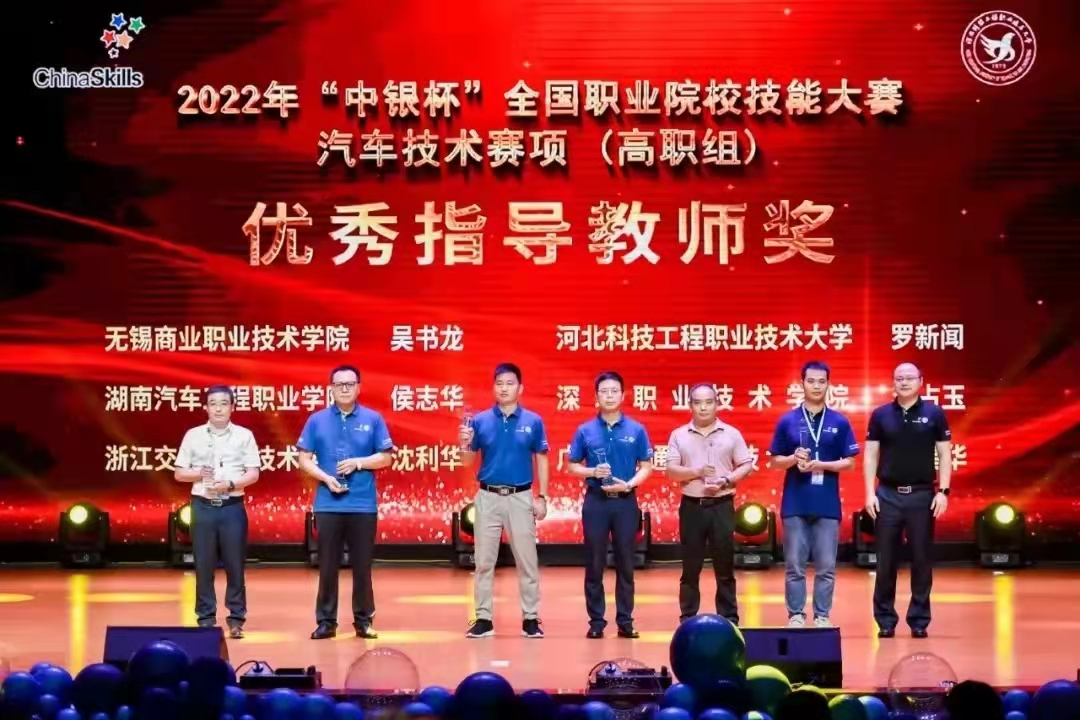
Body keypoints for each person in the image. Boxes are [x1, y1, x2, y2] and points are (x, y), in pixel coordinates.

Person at [297, 365, 394, 640]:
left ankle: (363, 621)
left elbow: (386, 457)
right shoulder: (317, 420)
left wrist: (358, 463)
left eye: (350, 384)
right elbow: (303, 458)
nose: (344, 389)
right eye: (339, 384)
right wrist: (325, 478)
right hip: (328, 504)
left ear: (358, 387)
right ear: (331, 388)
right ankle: (326, 622)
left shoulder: (373, 419)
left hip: (362, 505)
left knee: (362, 567)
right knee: (327, 566)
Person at [458, 363, 550, 639]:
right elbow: (467, 461)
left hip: (520, 497)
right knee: (484, 562)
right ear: (493, 387)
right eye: (499, 383)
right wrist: (464, 443)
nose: (504, 388)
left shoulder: (533, 421)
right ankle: (483, 618)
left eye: (510, 383)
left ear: (520, 388)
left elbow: (542, 459)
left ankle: (530, 618)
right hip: (487, 497)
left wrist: (542, 497)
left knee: (527, 561)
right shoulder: (480, 421)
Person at [768, 361, 860, 628]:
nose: (816, 386)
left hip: (827, 504)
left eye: (821, 381)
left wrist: (822, 465)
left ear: (828, 384)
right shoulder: (787, 420)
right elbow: (774, 461)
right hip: (795, 503)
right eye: (811, 381)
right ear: (802, 384)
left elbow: (851, 463)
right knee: (794, 566)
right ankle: (796, 614)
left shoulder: (839, 421)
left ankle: (822, 615)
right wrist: (792, 458)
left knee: (826, 567)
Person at [865, 362, 952, 638]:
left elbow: (945, 454)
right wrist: (869, 493)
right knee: (885, 561)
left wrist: (944, 491)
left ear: (920, 381)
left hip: (922, 496)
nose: (904, 382)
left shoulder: (934, 414)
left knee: (921, 560)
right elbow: (870, 455)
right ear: (893, 382)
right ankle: (885, 620)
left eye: (909, 378)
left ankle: (919, 620)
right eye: (899, 378)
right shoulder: (881, 415)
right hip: (887, 495)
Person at [566, 371, 653, 639]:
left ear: (623, 395)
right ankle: (596, 622)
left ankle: (625, 621)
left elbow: (646, 466)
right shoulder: (585, 430)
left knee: (626, 563)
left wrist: (629, 485)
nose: (609, 395)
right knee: (594, 563)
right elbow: (572, 465)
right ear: (596, 396)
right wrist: (592, 472)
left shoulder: (636, 429)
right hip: (596, 502)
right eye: (604, 391)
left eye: (614, 391)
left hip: (626, 502)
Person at [173, 385, 261, 639]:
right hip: (202, 507)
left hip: (232, 507)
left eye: (224, 403)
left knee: (235, 565)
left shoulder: (244, 435)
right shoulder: (193, 436)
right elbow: (179, 473)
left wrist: (231, 484)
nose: (219, 408)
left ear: (232, 407)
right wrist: (199, 473)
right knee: (203, 564)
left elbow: (253, 473)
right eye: (213, 403)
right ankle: (206, 618)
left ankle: (236, 619)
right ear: (205, 407)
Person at [666, 383, 754, 625]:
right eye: (698, 402)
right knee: (690, 568)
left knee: (725, 566)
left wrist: (727, 480)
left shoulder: (731, 434)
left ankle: (729, 618)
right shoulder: (679, 435)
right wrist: (696, 471)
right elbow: (671, 471)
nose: (703, 407)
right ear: (690, 405)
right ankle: (687, 618)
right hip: (692, 507)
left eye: (708, 402)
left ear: (717, 404)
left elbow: (746, 464)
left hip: (721, 506)